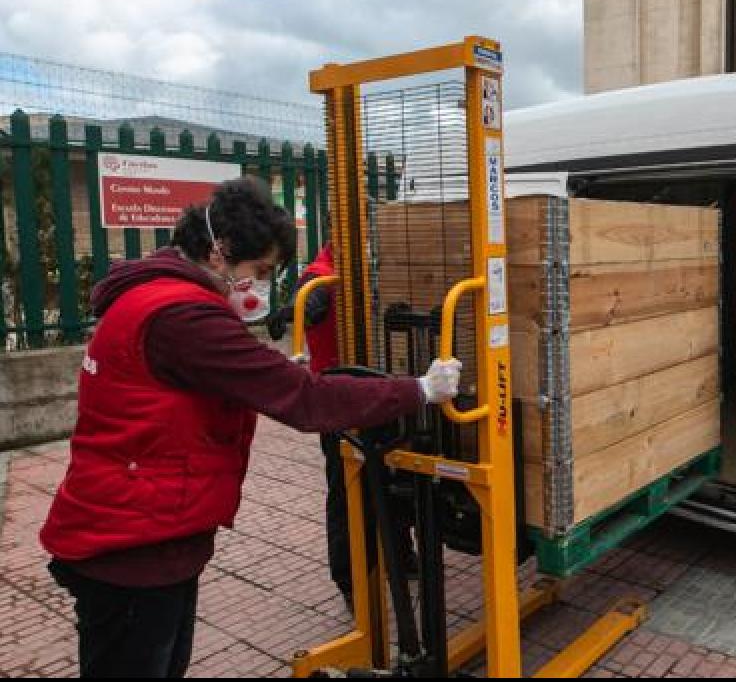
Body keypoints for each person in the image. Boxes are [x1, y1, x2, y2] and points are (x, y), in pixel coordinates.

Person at [39, 177, 460, 678]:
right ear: (220, 251)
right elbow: (305, 402)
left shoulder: (153, 295)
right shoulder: (183, 318)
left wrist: (265, 370)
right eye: (260, 271)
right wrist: (417, 389)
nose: (262, 286)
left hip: (139, 527)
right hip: (134, 547)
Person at [267, 243, 419, 608]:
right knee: (346, 490)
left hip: (383, 393)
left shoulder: (382, 265)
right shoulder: (323, 273)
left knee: (394, 478)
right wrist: (295, 312)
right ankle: (351, 580)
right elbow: (314, 299)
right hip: (340, 403)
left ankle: (401, 555)